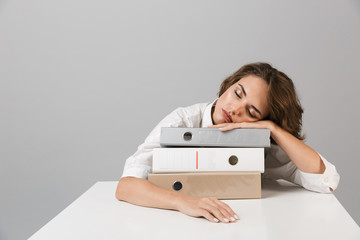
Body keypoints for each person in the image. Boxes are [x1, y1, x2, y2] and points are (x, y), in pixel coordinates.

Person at [115, 62, 340, 224]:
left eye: (251, 112)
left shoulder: (261, 146)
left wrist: (274, 129)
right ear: (228, 85)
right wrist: (185, 203)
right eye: (237, 93)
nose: (234, 109)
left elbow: (324, 178)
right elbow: (126, 186)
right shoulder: (182, 121)